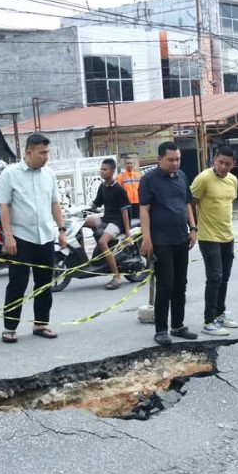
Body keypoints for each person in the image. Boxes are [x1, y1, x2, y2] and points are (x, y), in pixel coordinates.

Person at [0, 134, 67, 343]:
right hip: (20, 238)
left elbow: (55, 203)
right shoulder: (10, 174)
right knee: (17, 283)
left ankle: (41, 324)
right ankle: (10, 327)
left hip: (45, 236)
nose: (46, 157)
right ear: (29, 152)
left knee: (44, 283)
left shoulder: (49, 174)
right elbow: (4, 206)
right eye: (42, 153)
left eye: (47, 152)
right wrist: (8, 236)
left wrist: (61, 230)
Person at [139, 142, 199, 347]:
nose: (175, 163)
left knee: (181, 284)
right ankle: (161, 330)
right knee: (165, 285)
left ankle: (178, 325)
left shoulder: (181, 176)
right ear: (159, 159)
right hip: (160, 242)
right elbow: (144, 211)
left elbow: (187, 203)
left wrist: (193, 228)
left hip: (181, 239)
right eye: (170, 159)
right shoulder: (149, 180)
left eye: (178, 159)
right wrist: (147, 239)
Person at [190, 146, 238, 336]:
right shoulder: (203, 178)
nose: (224, 167)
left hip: (228, 235)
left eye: (228, 164)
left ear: (233, 164)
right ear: (214, 159)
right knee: (214, 277)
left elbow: (227, 204)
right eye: (221, 162)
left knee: (224, 277)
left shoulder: (233, 180)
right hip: (208, 236)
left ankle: (219, 314)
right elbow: (191, 204)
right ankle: (208, 321)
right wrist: (193, 228)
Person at [84, 158, 131, 290]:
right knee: (81, 223)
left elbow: (125, 212)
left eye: (105, 169)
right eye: (101, 169)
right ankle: (83, 260)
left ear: (112, 170)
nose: (102, 171)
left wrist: (128, 234)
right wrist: (80, 210)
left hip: (117, 222)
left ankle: (117, 276)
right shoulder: (102, 187)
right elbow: (95, 204)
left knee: (102, 242)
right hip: (106, 218)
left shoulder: (119, 189)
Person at [117, 154, 142, 221]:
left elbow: (142, 188)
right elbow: (118, 191)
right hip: (127, 203)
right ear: (124, 165)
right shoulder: (120, 177)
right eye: (127, 163)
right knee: (129, 221)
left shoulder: (138, 175)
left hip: (138, 202)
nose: (129, 164)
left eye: (131, 163)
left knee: (138, 221)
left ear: (133, 164)